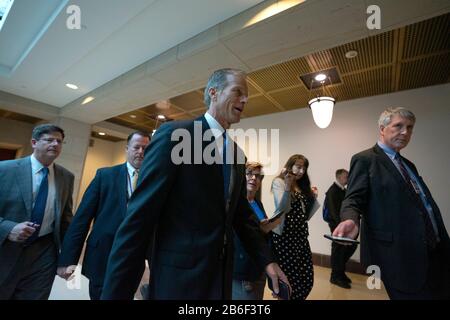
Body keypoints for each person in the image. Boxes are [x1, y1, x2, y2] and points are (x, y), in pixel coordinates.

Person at [101, 68, 289, 300]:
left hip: (220, 280)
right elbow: (139, 217)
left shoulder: (237, 155)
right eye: (238, 91)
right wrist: (115, 294)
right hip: (179, 280)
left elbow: (240, 216)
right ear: (214, 92)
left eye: (247, 95)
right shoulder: (177, 136)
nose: (245, 99)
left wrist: (267, 261)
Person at [333, 107, 450, 299]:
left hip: (434, 250)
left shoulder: (408, 164)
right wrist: (351, 220)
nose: (405, 132)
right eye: (398, 126)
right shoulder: (365, 159)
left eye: (410, 127)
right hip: (401, 256)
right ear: (382, 128)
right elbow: (353, 198)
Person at [57, 131, 150, 300]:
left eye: (145, 148)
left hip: (133, 258)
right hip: (101, 254)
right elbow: (81, 220)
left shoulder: (153, 180)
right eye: (137, 147)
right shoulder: (105, 176)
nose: (141, 152)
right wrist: (68, 259)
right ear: (127, 149)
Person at [0, 124, 74, 300]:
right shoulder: (5, 169)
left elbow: (66, 219)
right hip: (5, 251)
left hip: (44, 253)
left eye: (59, 141)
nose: (55, 144)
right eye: (49, 140)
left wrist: (68, 258)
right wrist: (8, 228)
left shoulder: (66, 177)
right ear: (34, 142)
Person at [269, 154, 319, 300]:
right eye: (298, 166)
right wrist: (287, 186)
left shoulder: (302, 186)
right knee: (288, 279)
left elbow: (306, 217)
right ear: (290, 166)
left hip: (300, 237)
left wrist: (313, 199)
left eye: (304, 168)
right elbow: (282, 207)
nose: (302, 171)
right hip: (284, 237)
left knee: (307, 277)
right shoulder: (279, 182)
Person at [232, 162, 271, 300]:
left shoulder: (257, 203)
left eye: (258, 176)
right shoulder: (235, 204)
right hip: (244, 272)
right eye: (249, 173)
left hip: (259, 269)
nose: (254, 178)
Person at [324, 169, 357, 289]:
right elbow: (333, 212)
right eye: (346, 177)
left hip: (343, 226)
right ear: (338, 177)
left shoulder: (343, 190)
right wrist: (341, 227)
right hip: (337, 227)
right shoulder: (332, 191)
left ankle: (340, 272)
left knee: (349, 247)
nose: (348, 179)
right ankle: (335, 276)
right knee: (338, 250)